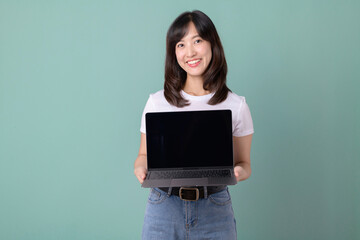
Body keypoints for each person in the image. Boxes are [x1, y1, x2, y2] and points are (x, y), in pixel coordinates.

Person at [134, 10, 254, 240]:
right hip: (163, 207)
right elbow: (142, 155)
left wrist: (237, 172)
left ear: (212, 44)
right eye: (180, 44)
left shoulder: (236, 105)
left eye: (197, 40)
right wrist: (140, 169)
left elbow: (245, 163)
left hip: (215, 208)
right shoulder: (157, 102)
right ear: (173, 52)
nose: (190, 52)